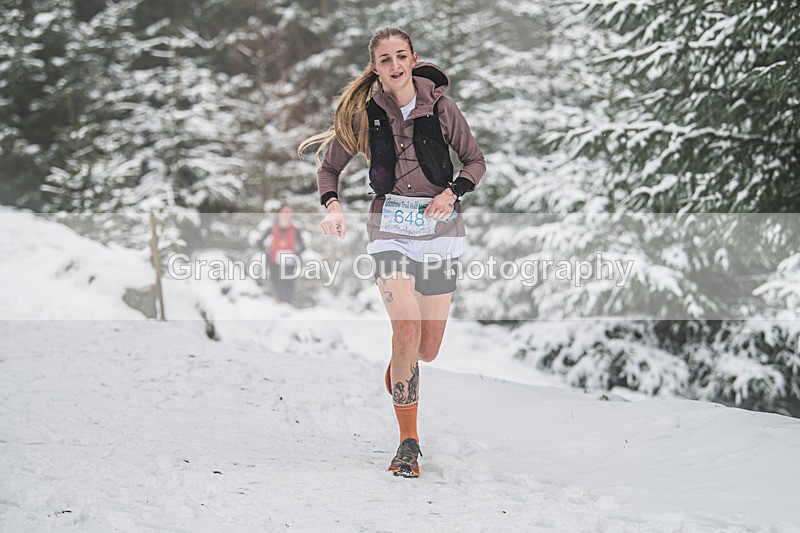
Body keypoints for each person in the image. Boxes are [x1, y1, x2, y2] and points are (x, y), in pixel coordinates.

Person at [298, 27, 485, 477]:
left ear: (413, 58)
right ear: (375, 67)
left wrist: (452, 193)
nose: (395, 65)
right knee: (405, 328)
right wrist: (333, 205)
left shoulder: (441, 106)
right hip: (390, 231)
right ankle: (408, 442)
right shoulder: (365, 113)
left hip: (441, 231)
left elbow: (475, 162)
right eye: (385, 59)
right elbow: (330, 167)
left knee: (427, 348)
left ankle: (400, 364)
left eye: (401, 56)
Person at [258, 204, 306, 304]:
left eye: (289, 212)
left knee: (288, 282)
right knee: (276, 281)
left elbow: (303, 247)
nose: (286, 214)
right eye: (284, 212)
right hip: (274, 260)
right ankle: (279, 301)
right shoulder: (272, 228)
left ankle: (287, 303)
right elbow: (260, 242)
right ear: (279, 213)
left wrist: (296, 254)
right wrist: (267, 253)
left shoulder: (295, 230)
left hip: (289, 261)